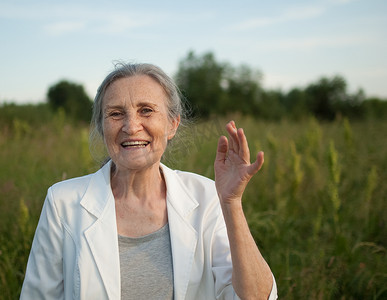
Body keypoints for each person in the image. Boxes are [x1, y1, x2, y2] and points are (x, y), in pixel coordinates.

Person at [20, 63, 277, 300]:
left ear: (172, 124)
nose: (131, 127)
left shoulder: (207, 197)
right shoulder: (62, 202)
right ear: (101, 127)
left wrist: (231, 202)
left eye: (146, 110)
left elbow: (256, 297)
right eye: (116, 114)